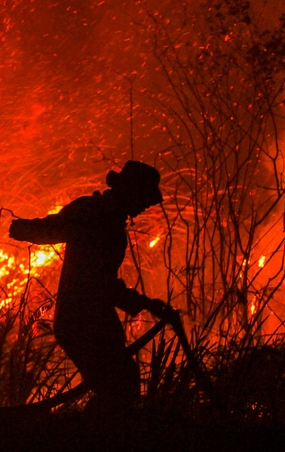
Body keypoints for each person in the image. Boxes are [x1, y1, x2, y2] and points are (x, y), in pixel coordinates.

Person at [9, 160, 175, 415]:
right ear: (130, 192)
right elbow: (56, 231)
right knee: (119, 388)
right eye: (143, 199)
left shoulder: (106, 218)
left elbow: (102, 279)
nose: (145, 207)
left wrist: (145, 304)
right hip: (82, 320)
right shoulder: (93, 214)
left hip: (93, 318)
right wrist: (25, 228)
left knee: (121, 387)